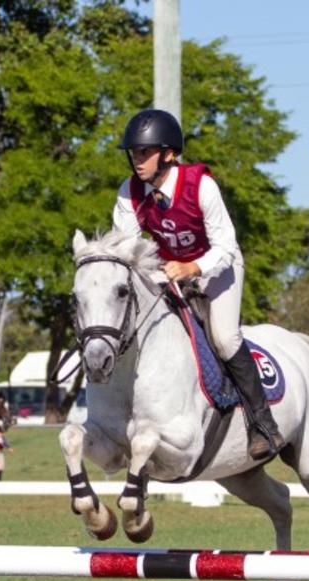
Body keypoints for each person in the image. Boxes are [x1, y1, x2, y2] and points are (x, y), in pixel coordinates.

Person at [111, 108, 285, 460]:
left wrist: (192, 267)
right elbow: (128, 248)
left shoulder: (201, 185)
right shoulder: (130, 192)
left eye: (145, 152)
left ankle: (264, 425)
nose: (137, 160)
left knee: (223, 336)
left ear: (169, 154)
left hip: (217, 266)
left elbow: (225, 245)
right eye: (135, 153)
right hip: (167, 270)